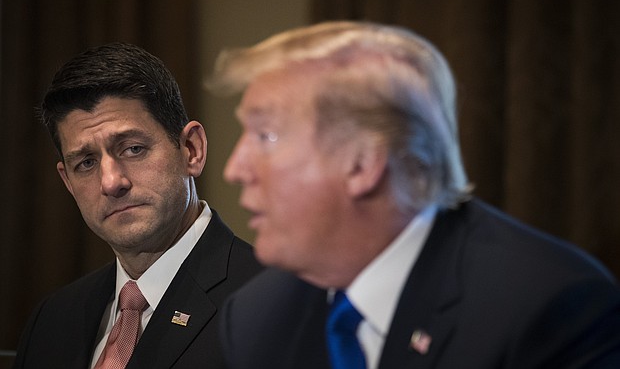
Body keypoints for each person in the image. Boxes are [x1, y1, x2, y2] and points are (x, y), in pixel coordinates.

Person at [211, 21, 620, 368]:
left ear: (363, 163)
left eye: (265, 136)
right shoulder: (255, 318)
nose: (234, 169)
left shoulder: (548, 307)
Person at [13, 43, 262, 369]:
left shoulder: (274, 304)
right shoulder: (51, 321)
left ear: (191, 149)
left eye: (133, 149)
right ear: (68, 183)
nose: (111, 182)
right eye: (86, 163)